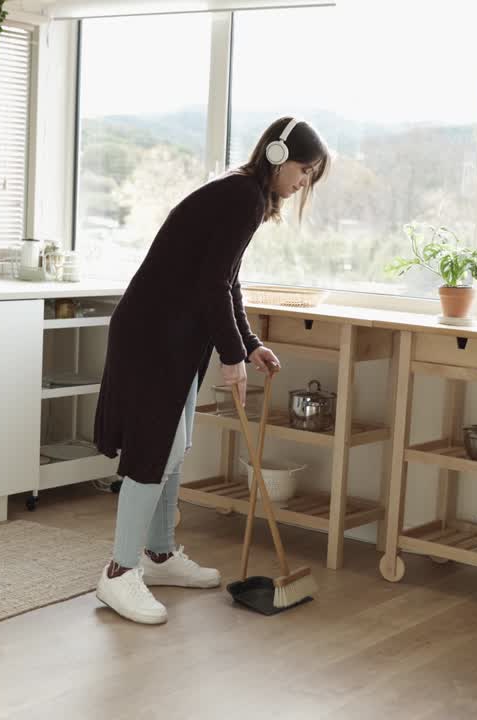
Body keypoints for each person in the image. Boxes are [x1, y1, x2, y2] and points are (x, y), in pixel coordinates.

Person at [92, 117, 330, 624]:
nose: (303, 182)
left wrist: (249, 343)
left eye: (310, 176)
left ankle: (158, 556)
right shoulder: (241, 197)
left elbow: (226, 282)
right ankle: (118, 572)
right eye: (304, 170)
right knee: (153, 450)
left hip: (174, 339)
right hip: (152, 337)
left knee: (174, 448)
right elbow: (210, 286)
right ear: (276, 154)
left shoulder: (245, 198)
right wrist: (232, 356)